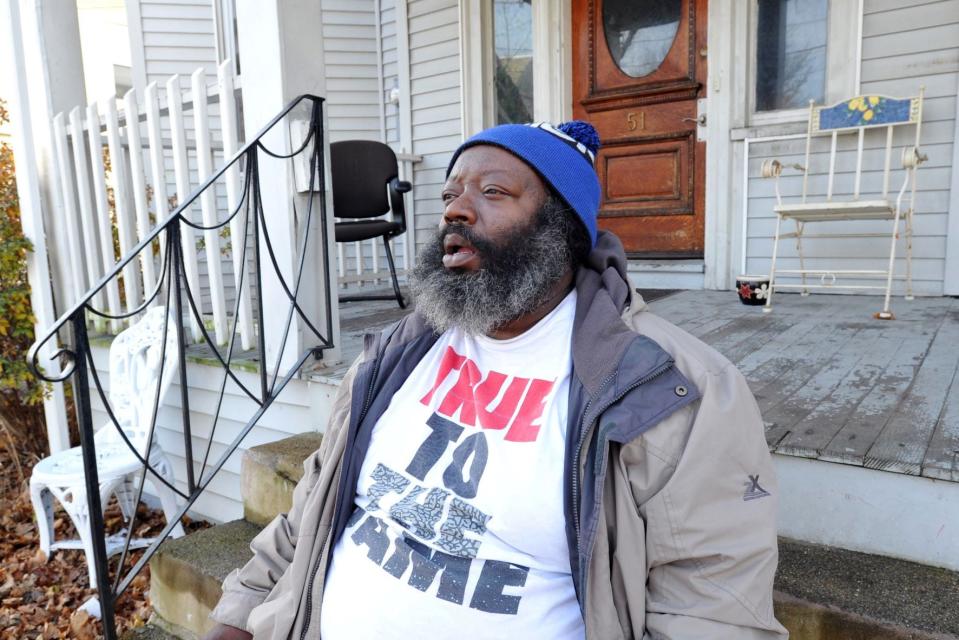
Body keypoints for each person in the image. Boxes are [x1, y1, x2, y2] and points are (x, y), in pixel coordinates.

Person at [204, 121, 788, 639]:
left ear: (561, 229)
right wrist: (239, 612)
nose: (457, 210)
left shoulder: (670, 388)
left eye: (492, 192)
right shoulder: (396, 355)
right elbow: (314, 506)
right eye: (451, 194)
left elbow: (713, 606)